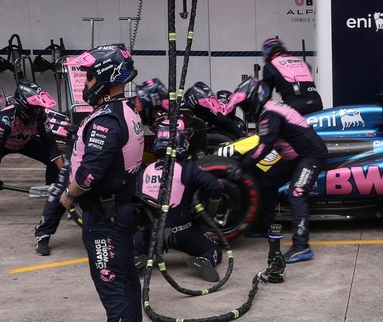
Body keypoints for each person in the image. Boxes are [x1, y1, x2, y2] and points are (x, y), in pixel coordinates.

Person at [58, 44, 144, 322]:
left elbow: (87, 174)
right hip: (120, 209)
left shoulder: (106, 120)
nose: (86, 82)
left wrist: (68, 195)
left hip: (105, 216)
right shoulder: (128, 110)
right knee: (124, 277)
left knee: (110, 278)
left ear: (105, 78)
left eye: (91, 75)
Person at [226, 77, 328, 264]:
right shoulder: (269, 110)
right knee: (268, 182)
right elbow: (264, 144)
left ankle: (301, 246)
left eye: (246, 106)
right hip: (296, 156)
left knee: (296, 194)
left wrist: (243, 167)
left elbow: (265, 146)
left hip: (311, 156)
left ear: (256, 99)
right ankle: (265, 226)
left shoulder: (271, 113)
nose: (246, 111)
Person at [137, 120, 224, 281]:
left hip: (152, 233)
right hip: (182, 231)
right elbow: (215, 187)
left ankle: (136, 256)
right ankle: (204, 260)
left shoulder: (144, 171)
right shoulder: (186, 169)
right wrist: (210, 210)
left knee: (134, 242)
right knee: (213, 249)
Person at [0, 80, 64, 191]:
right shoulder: (4, 119)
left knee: (53, 161)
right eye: (36, 109)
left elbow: (50, 144)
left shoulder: (41, 118)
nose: (40, 112)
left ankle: (52, 193)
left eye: (41, 109)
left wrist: (64, 173)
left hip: (26, 142)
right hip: (2, 144)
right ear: (24, 106)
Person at [260, 36, 323, 116]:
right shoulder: (302, 62)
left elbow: (266, 94)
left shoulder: (270, 66)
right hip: (316, 103)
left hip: (294, 106)